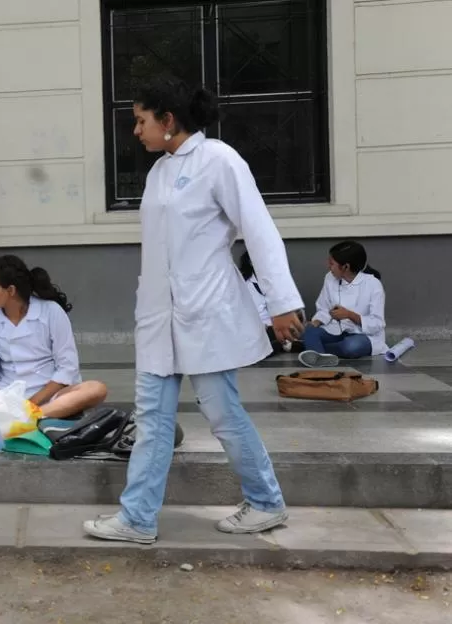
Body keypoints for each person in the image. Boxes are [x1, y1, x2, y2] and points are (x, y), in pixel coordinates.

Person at [83, 76, 304, 544]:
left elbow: (259, 229)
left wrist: (282, 302)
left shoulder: (219, 160)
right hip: (159, 317)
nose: (136, 130)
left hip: (207, 312)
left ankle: (266, 502)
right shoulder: (159, 172)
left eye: (141, 121)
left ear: (168, 120)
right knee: (152, 419)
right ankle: (137, 518)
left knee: (223, 414)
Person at [0, 254, 107, 419]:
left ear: (10, 290)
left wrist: (32, 404)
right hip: (6, 394)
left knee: (97, 389)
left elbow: (67, 368)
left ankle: (30, 417)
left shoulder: (51, 311)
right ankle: (29, 417)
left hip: (51, 394)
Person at [299, 240, 386, 368]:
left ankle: (316, 351)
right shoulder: (330, 278)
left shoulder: (373, 285)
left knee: (351, 347)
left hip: (362, 334)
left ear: (346, 266)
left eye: (332, 263)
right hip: (335, 330)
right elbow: (323, 308)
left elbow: (377, 323)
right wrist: (316, 322)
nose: (329, 267)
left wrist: (349, 315)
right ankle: (319, 356)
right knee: (309, 331)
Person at [238, 249, 303, 356]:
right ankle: (281, 345)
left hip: (276, 325)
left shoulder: (278, 279)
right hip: (254, 326)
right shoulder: (243, 281)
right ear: (251, 262)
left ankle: (277, 345)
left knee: (284, 330)